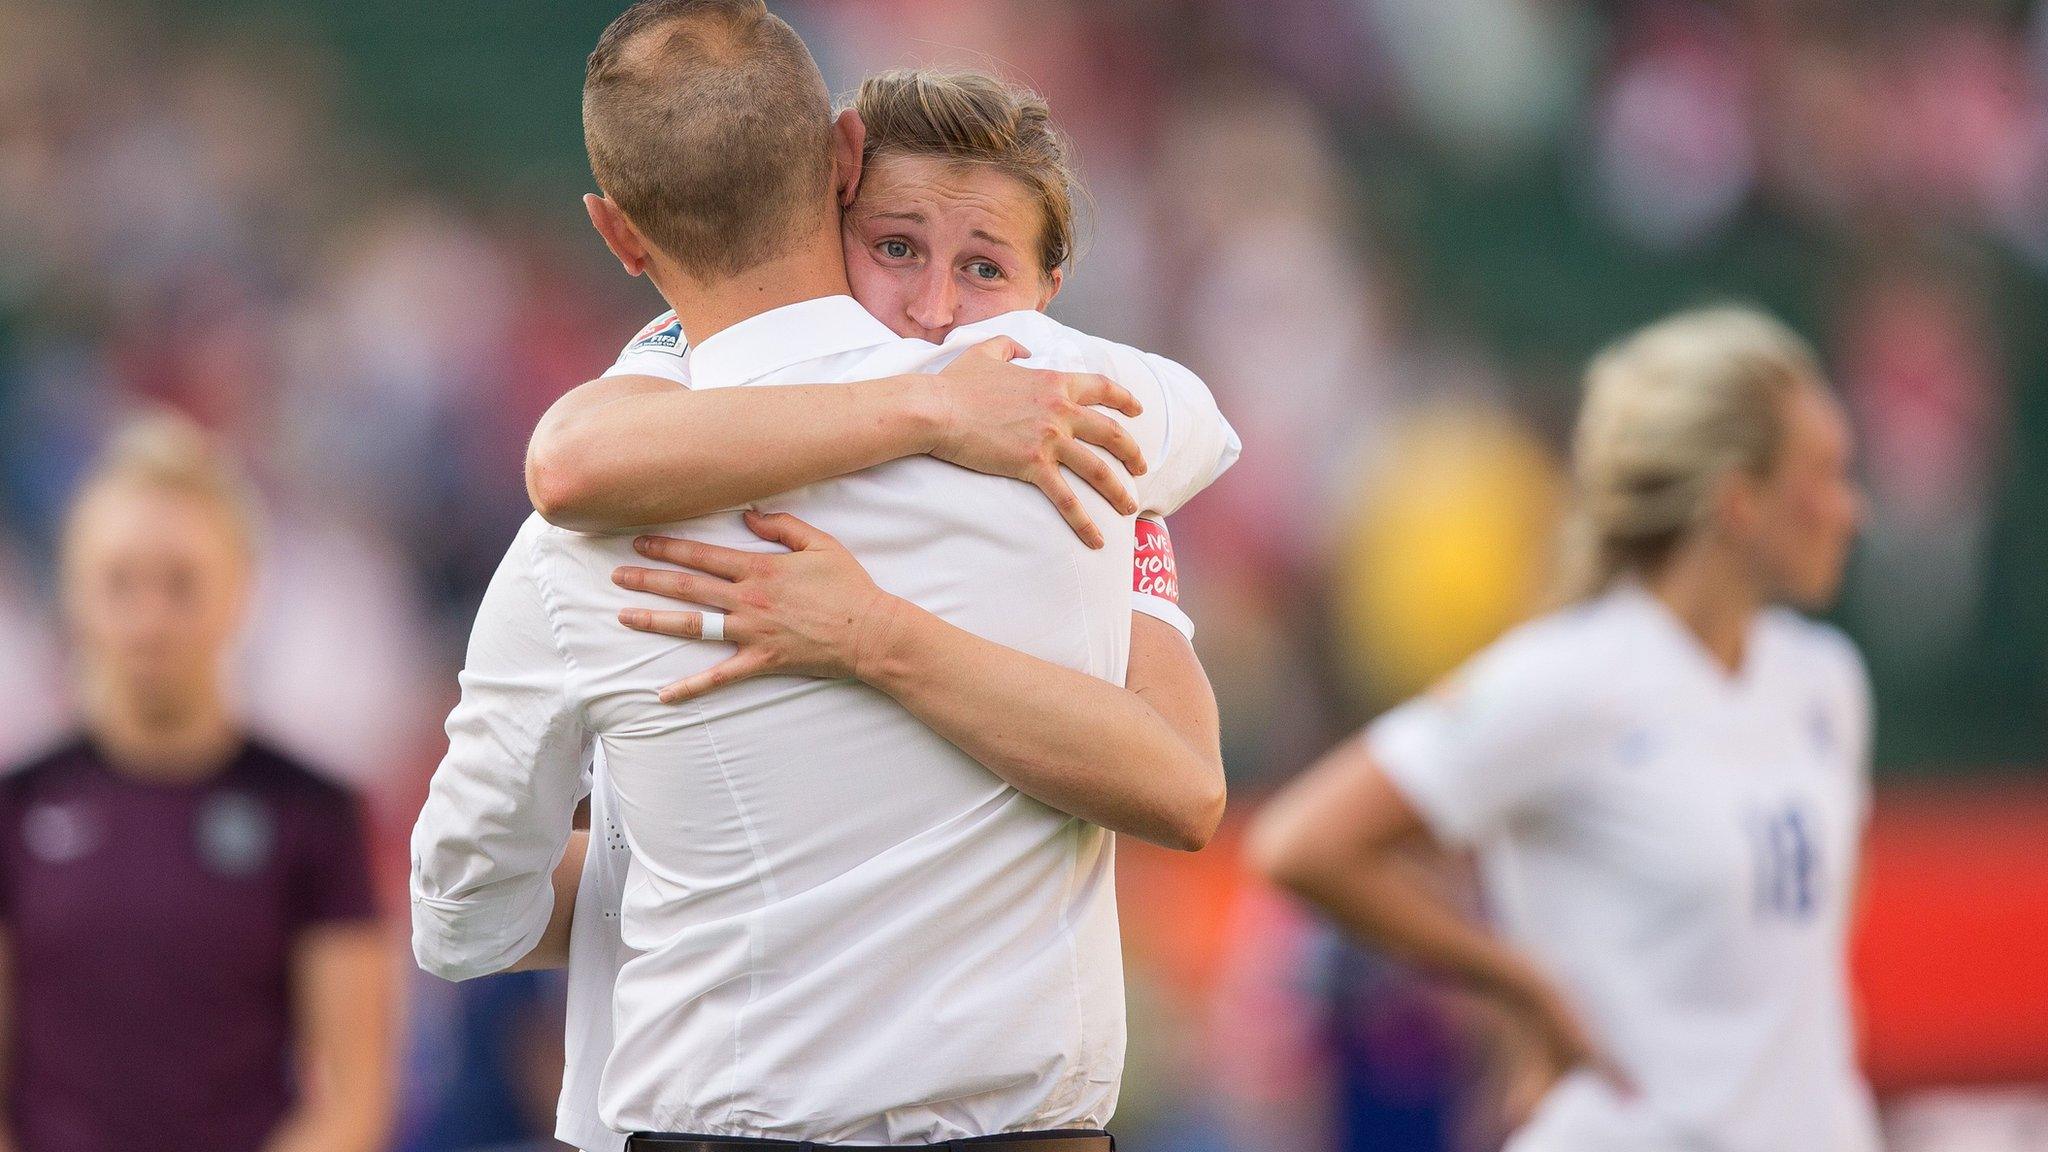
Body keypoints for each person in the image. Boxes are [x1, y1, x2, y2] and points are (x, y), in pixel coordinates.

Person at [409, 3, 1237, 1149]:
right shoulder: (1059, 409)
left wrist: (667, 860)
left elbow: (456, 921)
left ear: (617, 233)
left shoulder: (573, 542)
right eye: (898, 247)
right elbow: (1202, 429)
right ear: (841, 161)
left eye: (981, 267)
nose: (940, 310)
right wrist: (944, 410)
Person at [1249, 306, 1882, 1152]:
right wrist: (1521, 988)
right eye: (1827, 474)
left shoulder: (1824, 680)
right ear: (1738, 499)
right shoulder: (1569, 679)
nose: (1853, 510)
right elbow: (1299, 843)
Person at [0, 414, 393, 1152]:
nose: (149, 620)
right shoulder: (14, 808)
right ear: (74, 591)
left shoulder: (313, 814)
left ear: (241, 590)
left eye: (181, 585)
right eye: (120, 583)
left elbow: (352, 1097)